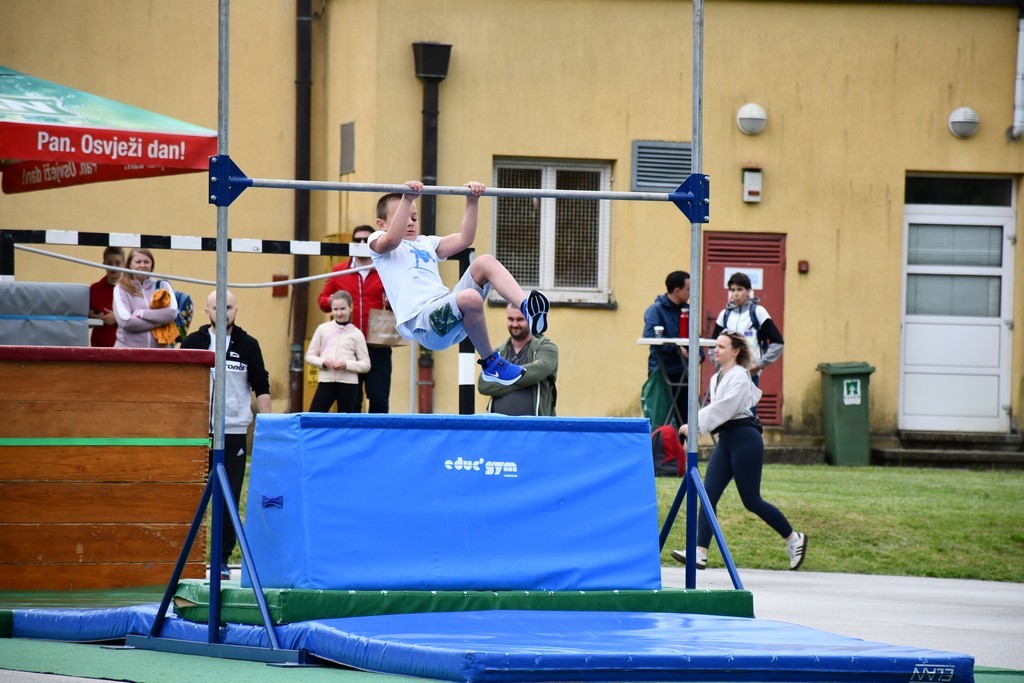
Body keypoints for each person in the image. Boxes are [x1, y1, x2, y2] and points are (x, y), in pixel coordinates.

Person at [368, 180, 550, 386]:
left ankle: (527, 309)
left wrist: (472, 201)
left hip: (451, 312)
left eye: (414, 217)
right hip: (423, 323)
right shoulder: (378, 243)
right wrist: (407, 198)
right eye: (403, 217)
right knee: (470, 297)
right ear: (381, 224)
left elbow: (465, 239)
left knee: (484, 262)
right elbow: (391, 240)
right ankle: (491, 364)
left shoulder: (426, 243)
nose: (410, 222)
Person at [670, 331, 807, 571]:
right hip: (726, 441)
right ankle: (699, 552)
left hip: (745, 439)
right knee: (708, 494)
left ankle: (794, 538)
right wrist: (699, 422)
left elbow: (726, 407)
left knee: (751, 500)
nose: (716, 351)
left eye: (722, 347)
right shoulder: (717, 378)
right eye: (716, 347)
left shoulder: (741, 376)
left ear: (735, 351)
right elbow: (718, 409)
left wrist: (695, 423)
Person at [181, 289, 271, 580]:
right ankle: (188, 559)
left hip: (232, 432)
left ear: (236, 310)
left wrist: (267, 428)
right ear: (207, 312)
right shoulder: (193, 343)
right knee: (191, 497)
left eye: (229, 307)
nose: (224, 312)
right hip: (197, 432)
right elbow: (177, 383)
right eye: (218, 307)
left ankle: (220, 559)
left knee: (229, 496)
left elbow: (263, 387)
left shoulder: (248, 345)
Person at [317, 224, 392, 413]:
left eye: (366, 240)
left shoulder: (385, 269)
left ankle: (377, 440)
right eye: (356, 240)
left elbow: (403, 301)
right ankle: (353, 440)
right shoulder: (339, 271)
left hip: (377, 344)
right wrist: (334, 301)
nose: (361, 243)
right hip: (348, 345)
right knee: (351, 401)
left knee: (379, 398)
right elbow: (322, 301)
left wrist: (392, 302)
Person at [643, 270, 702, 425]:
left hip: (685, 372)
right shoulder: (656, 310)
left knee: (685, 419)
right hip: (663, 372)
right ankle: (661, 449)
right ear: (677, 290)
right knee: (662, 418)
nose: (691, 293)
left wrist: (699, 354)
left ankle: (682, 449)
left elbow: (697, 336)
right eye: (688, 289)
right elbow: (650, 337)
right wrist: (677, 349)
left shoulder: (689, 311)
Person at [477, 303, 558, 416]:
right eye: (511, 319)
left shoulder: (546, 348)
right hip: (500, 429)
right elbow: (483, 385)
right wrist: (526, 380)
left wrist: (502, 378)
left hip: (536, 429)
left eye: (520, 319)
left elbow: (539, 370)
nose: (515, 324)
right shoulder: (497, 353)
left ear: (530, 320)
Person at [710, 272, 784, 388]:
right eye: (733, 290)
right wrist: (719, 364)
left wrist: (759, 364)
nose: (736, 294)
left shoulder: (758, 312)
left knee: (747, 406)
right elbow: (712, 344)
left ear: (749, 291)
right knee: (727, 406)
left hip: (750, 373)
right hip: (727, 374)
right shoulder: (724, 315)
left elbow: (778, 343)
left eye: (740, 289)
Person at [305, 290, 371, 413]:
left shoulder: (357, 334)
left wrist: (347, 364)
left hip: (349, 384)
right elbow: (309, 356)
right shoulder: (322, 329)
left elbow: (366, 365)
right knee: (315, 417)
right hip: (326, 381)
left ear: (351, 308)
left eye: (343, 309)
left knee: (346, 423)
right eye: (335, 309)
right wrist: (323, 362)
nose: (339, 313)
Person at [112, 247, 178, 349]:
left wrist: (141, 313)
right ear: (129, 265)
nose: (142, 265)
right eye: (138, 262)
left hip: (160, 354)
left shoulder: (162, 285)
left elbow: (172, 313)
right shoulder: (120, 289)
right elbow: (126, 322)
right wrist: (160, 321)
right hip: (128, 354)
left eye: (146, 262)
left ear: (152, 265)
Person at [87, 246, 125, 347]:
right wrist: (92, 317)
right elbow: (84, 322)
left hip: (126, 347)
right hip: (99, 346)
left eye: (117, 263)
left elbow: (139, 316)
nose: (113, 267)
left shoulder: (131, 289)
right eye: (110, 263)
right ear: (104, 264)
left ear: (124, 265)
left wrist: (117, 317)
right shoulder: (94, 289)